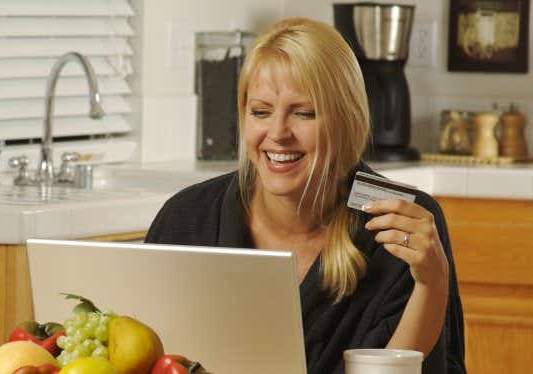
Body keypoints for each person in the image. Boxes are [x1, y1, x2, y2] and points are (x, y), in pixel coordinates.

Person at [145, 18, 465, 374]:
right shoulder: (186, 218)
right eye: (261, 112)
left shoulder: (403, 225)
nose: (278, 133)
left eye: (304, 113)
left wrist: (432, 284)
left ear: (348, 121)